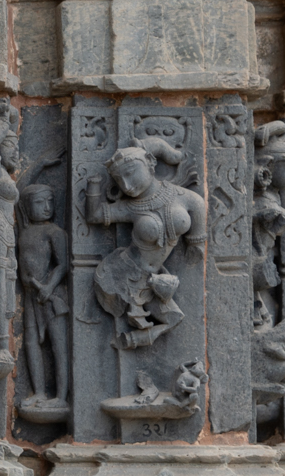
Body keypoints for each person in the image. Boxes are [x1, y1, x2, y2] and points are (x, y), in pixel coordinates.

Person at [85, 134, 204, 351]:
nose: (127, 186)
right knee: (171, 317)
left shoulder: (184, 197)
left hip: (155, 275)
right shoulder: (132, 207)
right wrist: (93, 186)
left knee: (174, 318)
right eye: (120, 181)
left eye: (130, 174)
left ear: (150, 163)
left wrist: (197, 242)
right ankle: (133, 337)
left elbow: (198, 211)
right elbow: (94, 216)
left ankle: (134, 339)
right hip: (123, 274)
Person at [16, 185, 72, 404]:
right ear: (27, 206)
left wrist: (49, 286)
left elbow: (63, 264)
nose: (47, 207)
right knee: (31, 342)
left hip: (51, 295)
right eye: (40, 203)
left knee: (58, 345)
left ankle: (60, 396)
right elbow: (14, 193)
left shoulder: (55, 232)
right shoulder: (25, 230)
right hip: (31, 296)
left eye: (50, 201)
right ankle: (39, 391)